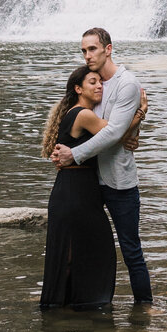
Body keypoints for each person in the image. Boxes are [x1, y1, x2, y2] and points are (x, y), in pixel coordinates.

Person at [52, 27, 153, 305]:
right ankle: (84, 304)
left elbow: (112, 134)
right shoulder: (91, 82)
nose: (87, 55)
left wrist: (74, 155)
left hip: (118, 183)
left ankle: (143, 309)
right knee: (87, 248)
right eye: (84, 50)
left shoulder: (127, 84)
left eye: (92, 49)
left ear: (108, 49)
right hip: (88, 183)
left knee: (131, 252)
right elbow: (80, 122)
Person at [39, 65, 117, 310]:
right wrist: (140, 113)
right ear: (78, 88)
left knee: (78, 250)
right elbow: (116, 134)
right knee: (85, 250)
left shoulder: (76, 112)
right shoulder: (83, 115)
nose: (98, 86)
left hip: (76, 190)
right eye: (92, 82)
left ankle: (69, 310)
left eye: (100, 82)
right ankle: (81, 306)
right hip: (75, 193)